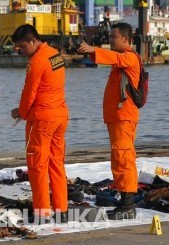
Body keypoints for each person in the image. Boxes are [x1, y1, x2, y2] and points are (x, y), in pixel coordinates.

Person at [78, 22, 140, 220]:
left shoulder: (129, 58)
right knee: (119, 159)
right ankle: (124, 203)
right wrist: (90, 52)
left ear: (125, 39)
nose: (110, 40)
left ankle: (128, 205)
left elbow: (112, 57)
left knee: (124, 159)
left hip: (124, 119)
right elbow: (111, 59)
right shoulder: (120, 62)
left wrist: (94, 49)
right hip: (117, 119)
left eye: (113, 37)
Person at [10, 24, 69, 223]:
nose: (19, 51)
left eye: (21, 46)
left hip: (42, 119)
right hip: (60, 115)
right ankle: (62, 211)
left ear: (33, 41)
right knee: (56, 163)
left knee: (37, 165)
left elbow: (29, 93)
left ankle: (42, 212)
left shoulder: (36, 61)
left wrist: (21, 113)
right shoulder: (55, 55)